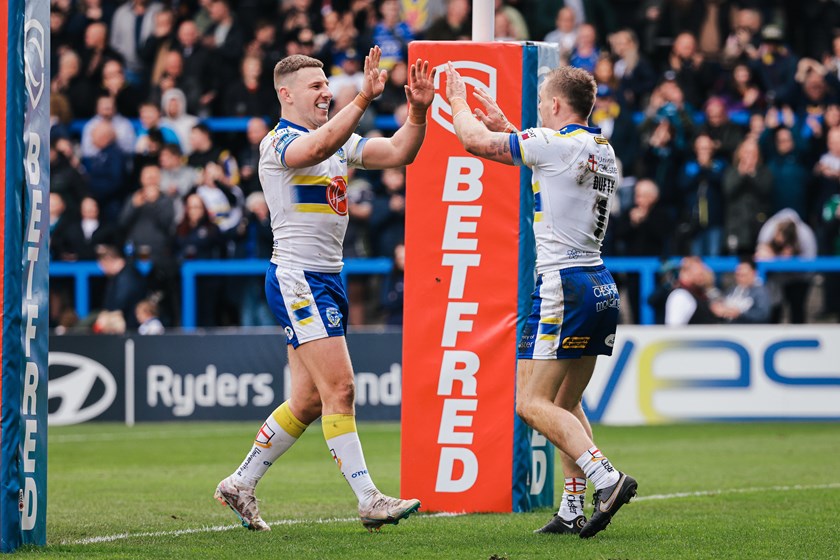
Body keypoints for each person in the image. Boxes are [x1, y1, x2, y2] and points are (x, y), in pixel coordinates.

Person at [214, 47, 434, 532]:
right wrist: (362, 99)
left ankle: (240, 483)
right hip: (298, 278)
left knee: (309, 401)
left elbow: (400, 152)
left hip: (328, 278)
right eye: (316, 86)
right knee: (342, 388)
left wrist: (418, 110)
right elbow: (312, 152)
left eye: (327, 84)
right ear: (286, 94)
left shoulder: (337, 139)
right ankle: (368, 498)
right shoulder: (278, 143)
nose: (326, 93)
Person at [445, 63, 636, 539]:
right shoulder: (600, 148)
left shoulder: (555, 145)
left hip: (562, 284)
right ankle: (573, 506)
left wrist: (457, 100)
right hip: (598, 283)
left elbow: (472, 143)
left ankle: (606, 477)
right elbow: (548, 164)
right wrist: (506, 125)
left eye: (540, 105)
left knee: (530, 403)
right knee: (565, 404)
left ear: (553, 105)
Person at [711, 259, 772, 323]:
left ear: (754, 273)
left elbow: (763, 314)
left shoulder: (761, 292)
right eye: (738, 275)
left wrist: (739, 314)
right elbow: (723, 301)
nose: (740, 278)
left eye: (743, 275)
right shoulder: (733, 289)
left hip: (749, 330)